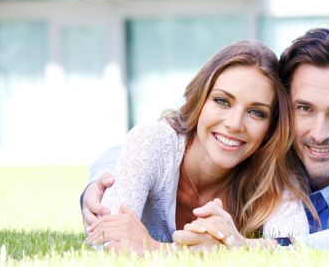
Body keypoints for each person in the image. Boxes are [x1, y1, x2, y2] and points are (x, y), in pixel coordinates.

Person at [83, 26, 329, 250]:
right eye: (304, 108)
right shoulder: (273, 148)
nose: (318, 132)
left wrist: (255, 250)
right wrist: (101, 186)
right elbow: (149, 146)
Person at [84, 40, 317, 255]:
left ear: (271, 126)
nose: (234, 124)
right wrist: (214, 252)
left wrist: (155, 249)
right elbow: (105, 238)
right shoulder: (153, 142)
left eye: (256, 112)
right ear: (200, 99)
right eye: (222, 101)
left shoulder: (274, 170)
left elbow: (293, 249)